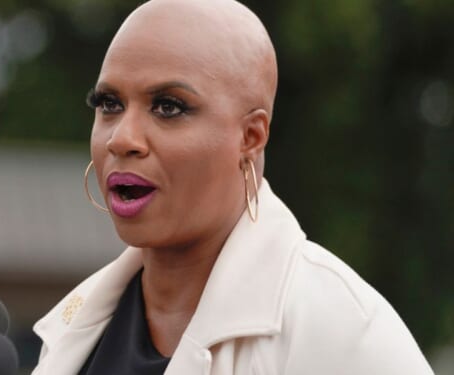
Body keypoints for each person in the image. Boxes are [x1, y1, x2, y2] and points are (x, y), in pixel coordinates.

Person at [31, 0, 434, 373]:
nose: (121, 138)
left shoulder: (345, 331)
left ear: (252, 137)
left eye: (168, 107)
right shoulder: (72, 328)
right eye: (110, 104)